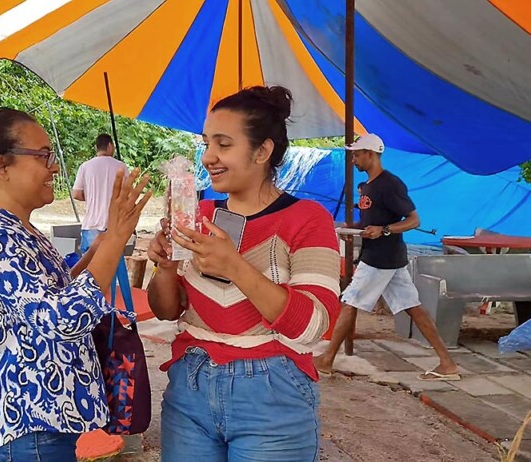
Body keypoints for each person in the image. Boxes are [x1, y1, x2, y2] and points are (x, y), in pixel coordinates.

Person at [147, 86, 341, 461]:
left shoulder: (307, 219)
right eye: (206, 144)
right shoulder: (199, 213)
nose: (208, 157)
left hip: (272, 395)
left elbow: (314, 326)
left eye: (223, 144)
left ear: (262, 151)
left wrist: (234, 266)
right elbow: (168, 311)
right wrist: (165, 267)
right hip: (191, 385)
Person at [0, 108, 151, 461]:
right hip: (31, 428)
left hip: (52, 423)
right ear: (2, 166)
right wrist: (117, 236)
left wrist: (98, 249)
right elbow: (62, 319)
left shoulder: (17, 229)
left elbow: (44, 299)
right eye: (44, 156)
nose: (54, 166)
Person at [314, 133, 459, 381]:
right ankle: (447, 363)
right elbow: (373, 221)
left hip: (380, 259)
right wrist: (355, 229)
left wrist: (385, 230)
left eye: (357, 155)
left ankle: (327, 360)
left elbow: (414, 220)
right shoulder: (369, 186)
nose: (353, 160)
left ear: (371, 154)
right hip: (388, 259)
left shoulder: (390, 184)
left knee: (350, 302)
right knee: (413, 308)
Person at [73, 134, 129, 253]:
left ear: (96, 148)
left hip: (90, 226)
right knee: (112, 267)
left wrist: (92, 197)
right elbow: (127, 195)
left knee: (89, 267)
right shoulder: (120, 166)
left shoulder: (85, 166)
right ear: (110, 146)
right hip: (112, 226)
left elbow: (76, 194)